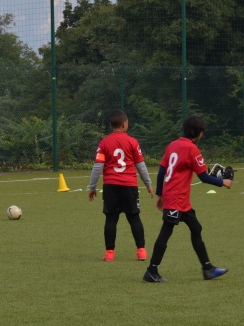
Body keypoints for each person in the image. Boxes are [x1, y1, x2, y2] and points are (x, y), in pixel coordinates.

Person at [143, 115, 231, 283]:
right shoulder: (192, 149)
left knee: (196, 228)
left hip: (180, 200)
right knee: (166, 232)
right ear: (195, 132)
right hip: (176, 199)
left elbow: (161, 171)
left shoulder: (173, 145)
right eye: (202, 132)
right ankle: (151, 271)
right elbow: (203, 177)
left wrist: (161, 194)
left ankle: (207, 268)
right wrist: (223, 182)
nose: (202, 135)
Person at [88, 110, 153, 261]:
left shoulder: (104, 143)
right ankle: (141, 251)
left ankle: (109, 253)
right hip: (129, 185)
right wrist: (148, 183)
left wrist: (92, 187)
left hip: (111, 186)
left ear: (111, 125)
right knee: (134, 218)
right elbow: (140, 165)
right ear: (124, 124)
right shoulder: (132, 142)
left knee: (111, 219)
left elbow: (97, 166)